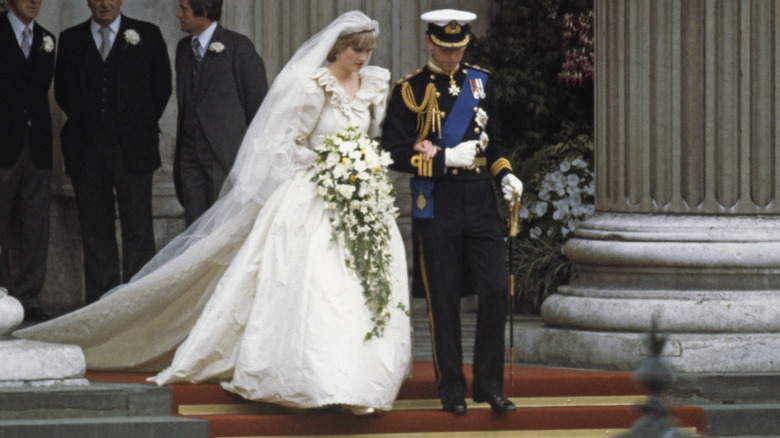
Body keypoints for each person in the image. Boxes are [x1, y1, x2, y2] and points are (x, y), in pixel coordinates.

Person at [16, 10, 411, 415]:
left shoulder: (374, 87)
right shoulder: (308, 85)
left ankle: (358, 375)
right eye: (355, 50)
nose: (362, 58)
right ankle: (315, 371)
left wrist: (363, 163)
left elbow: (378, 140)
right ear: (337, 48)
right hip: (312, 196)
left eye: (367, 51)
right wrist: (329, 160)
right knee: (316, 284)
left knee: (361, 286)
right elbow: (281, 144)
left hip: (360, 198)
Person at [381, 9, 523, 415]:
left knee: (495, 290)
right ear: (429, 42)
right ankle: (451, 389)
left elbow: (495, 142)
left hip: (480, 200)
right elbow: (393, 152)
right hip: (437, 202)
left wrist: (507, 175)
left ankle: (489, 386)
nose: (452, 56)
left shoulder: (481, 83)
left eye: (459, 48)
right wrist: (444, 159)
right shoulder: (409, 89)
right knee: (443, 299)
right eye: (445, 48)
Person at [55, 0, 172, 304]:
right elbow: (63, 92)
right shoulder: (70, 39)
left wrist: (136, 124)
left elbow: (162, 87)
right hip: (86, 151)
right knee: (95, 231)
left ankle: (138, 304)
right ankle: (101, 306)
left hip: (133, 150)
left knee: (138, 230)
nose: (105, 3)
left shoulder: (147, 34)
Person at [174, 0, 268, 225]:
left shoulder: (238, 46)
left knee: (224, 225)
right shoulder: (183, 49)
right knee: (195, 225)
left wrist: (250, 156)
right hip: (189, 156)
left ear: (203, 12)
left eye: (184, 9)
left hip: (224, 154)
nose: (178, 15)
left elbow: (257, 104)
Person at [0, 0, 55, 322]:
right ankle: (2, 293)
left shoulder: (48, 39)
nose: (33, 1)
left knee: (36, 224)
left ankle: (30, 297)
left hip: (37, 146)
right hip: (2, 144)